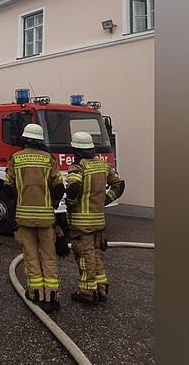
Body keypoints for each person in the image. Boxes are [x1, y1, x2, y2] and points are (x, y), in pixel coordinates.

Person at [5, 123, 64, 312]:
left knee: (30, 256)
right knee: (48, 256)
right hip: (46, 217)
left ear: (24, 139)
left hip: (23, 216)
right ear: (40, 140)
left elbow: (8, 187)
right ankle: (52, 296)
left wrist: (18, 200)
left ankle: (36, 293)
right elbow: (59, 187)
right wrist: (53, 206)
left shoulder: (16, 158)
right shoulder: (49, 159)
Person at [63, 131, 126, 306]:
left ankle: (87, 292)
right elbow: (119, 184)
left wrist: (69, 203)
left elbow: (74, 187)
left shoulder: (78, 167)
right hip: (98, 220)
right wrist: (105, 200)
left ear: (76, 150)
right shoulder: (102, 166)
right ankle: (101, 288)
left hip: (82, 223)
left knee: (84, 255)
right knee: (93, 254)